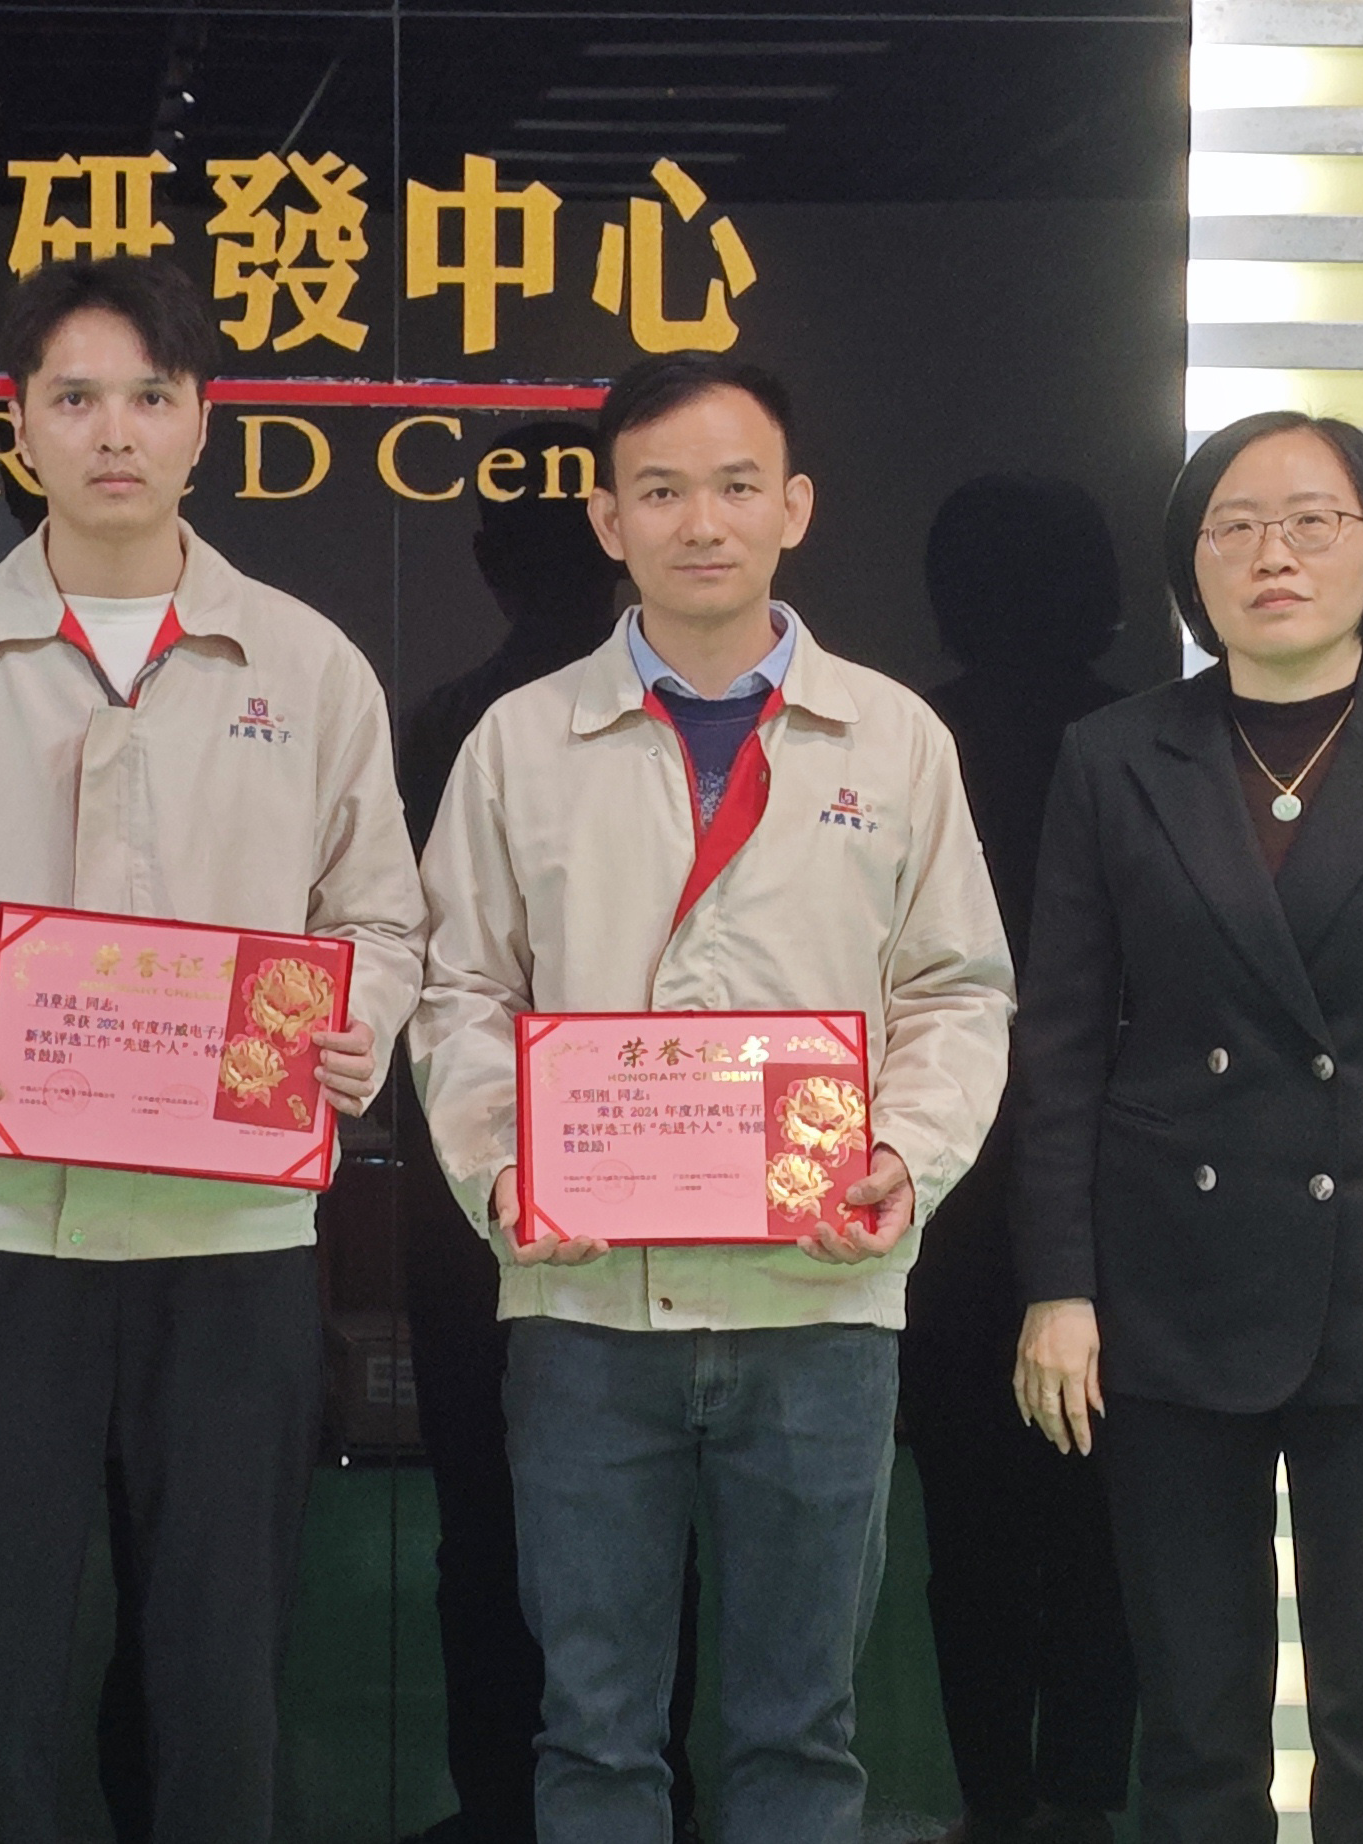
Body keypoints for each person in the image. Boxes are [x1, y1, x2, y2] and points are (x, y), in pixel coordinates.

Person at [0, 252, 424, 1844]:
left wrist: (350, 1026)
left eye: (150, 396)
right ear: (17, 427)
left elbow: (379, 917)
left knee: (220, 1675)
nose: (115, 432)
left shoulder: (308, 666)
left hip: (234, 1240)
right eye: (74, 398)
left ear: (205, 421)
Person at [412, 352, 1015, 1844]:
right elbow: (457, 990)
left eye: (737, 486)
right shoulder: (519, 743)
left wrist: (908, 1155)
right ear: (607, 520)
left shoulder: (896, 740)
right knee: (594, 1734)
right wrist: (502, 1170)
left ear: (794, 507)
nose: (702, 522)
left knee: (801, 1735)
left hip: (820, 1304)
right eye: (662, 490)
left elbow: (958, 990)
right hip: (585, 1310)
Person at [1005, 412, 1363, 1843]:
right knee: (1195, 1734)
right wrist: (1060, 1285)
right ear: (1192, 566)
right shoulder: (1115, 756)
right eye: (1235, 525)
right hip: (1167, 1288)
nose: (1274, 553)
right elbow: (1064, 1042)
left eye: (1312, 520)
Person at [390, 423, 708, 1844]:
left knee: (490, 1513)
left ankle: (498, 1807)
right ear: (612, 534)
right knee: (636, 1519)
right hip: (528, 1187)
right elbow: (430, 969)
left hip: (500, 1193)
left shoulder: (450, 714)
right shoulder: (482, 728)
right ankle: (637, 1799)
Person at [905, 475, 1151, 1844]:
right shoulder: (1156, 732)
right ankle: (1086, 1803)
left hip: (946, 1187)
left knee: (973, 1531)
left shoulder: (908, 733)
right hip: (1135, 1178)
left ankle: (992, 1805)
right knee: (1112, 1528)